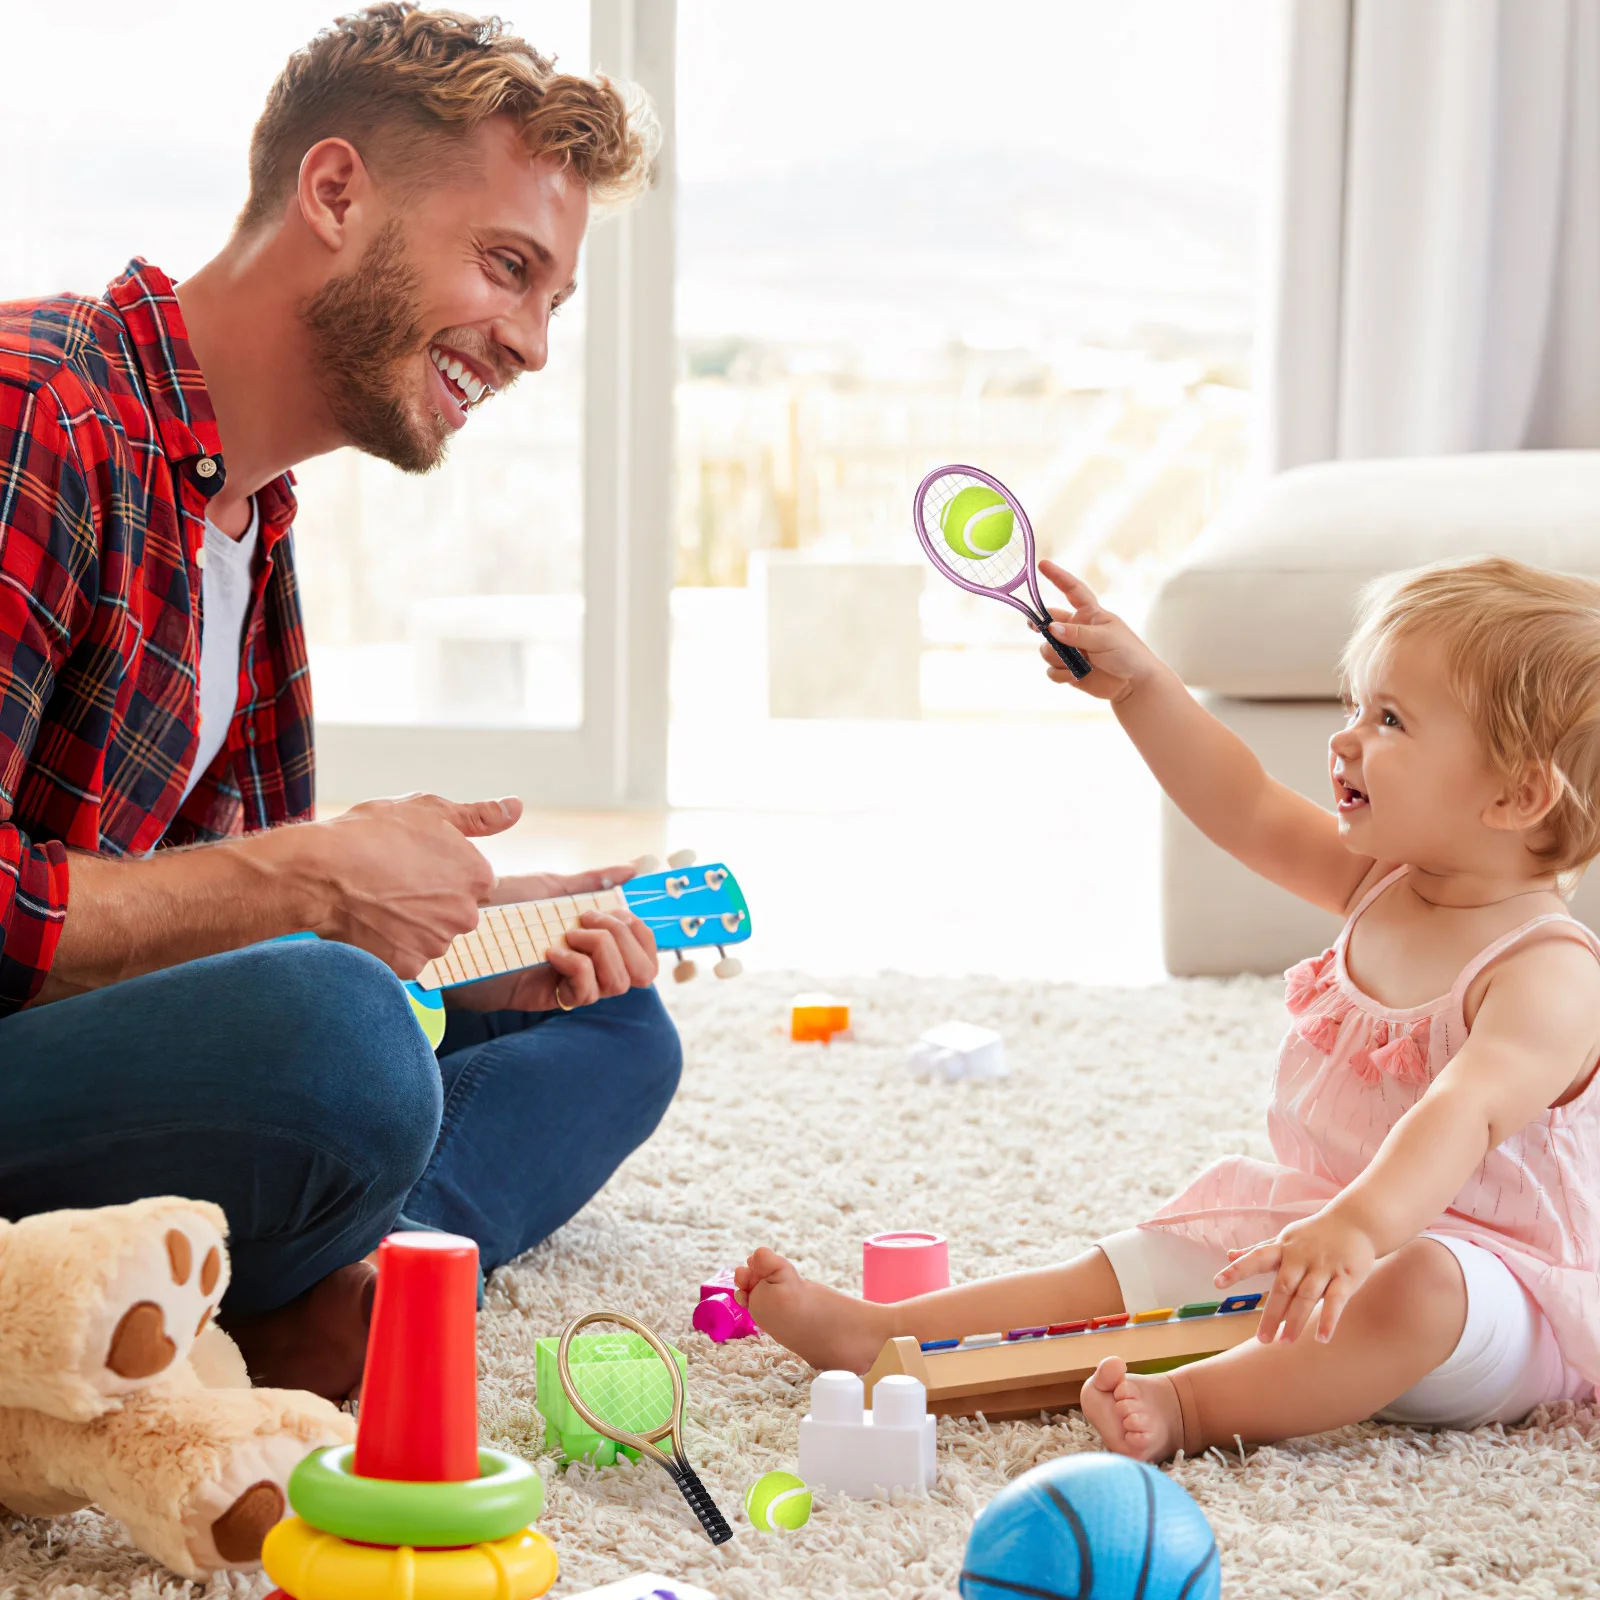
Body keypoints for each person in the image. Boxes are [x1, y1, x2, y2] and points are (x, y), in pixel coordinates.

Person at [0, 4, 681, 1403]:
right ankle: (289, 1295)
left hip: (64, 1033)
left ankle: (362, 1278)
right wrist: (313, 889)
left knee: (605, 1023)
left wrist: (442, 930)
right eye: (509, 268)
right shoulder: (36, 414)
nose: (535, 347)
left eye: (556, 301)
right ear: (334, 191)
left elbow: (187, 921)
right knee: (337, 1039)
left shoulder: (250, 518)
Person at [738, 555, 1600, 1461]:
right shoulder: (1380, 884)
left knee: (1422, 1283)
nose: (1346, 741)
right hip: (1323, 1231)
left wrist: (1363, 1228)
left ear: (1517, 795)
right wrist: (1140, 688)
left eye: (1389, 720)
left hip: (1497, 1299)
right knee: (1154, 1259)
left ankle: (1189, 1407)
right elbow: (1247, 806)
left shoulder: (1548, 972)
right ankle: (882, 1334)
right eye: (1355, 707)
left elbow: (1461, 1111)